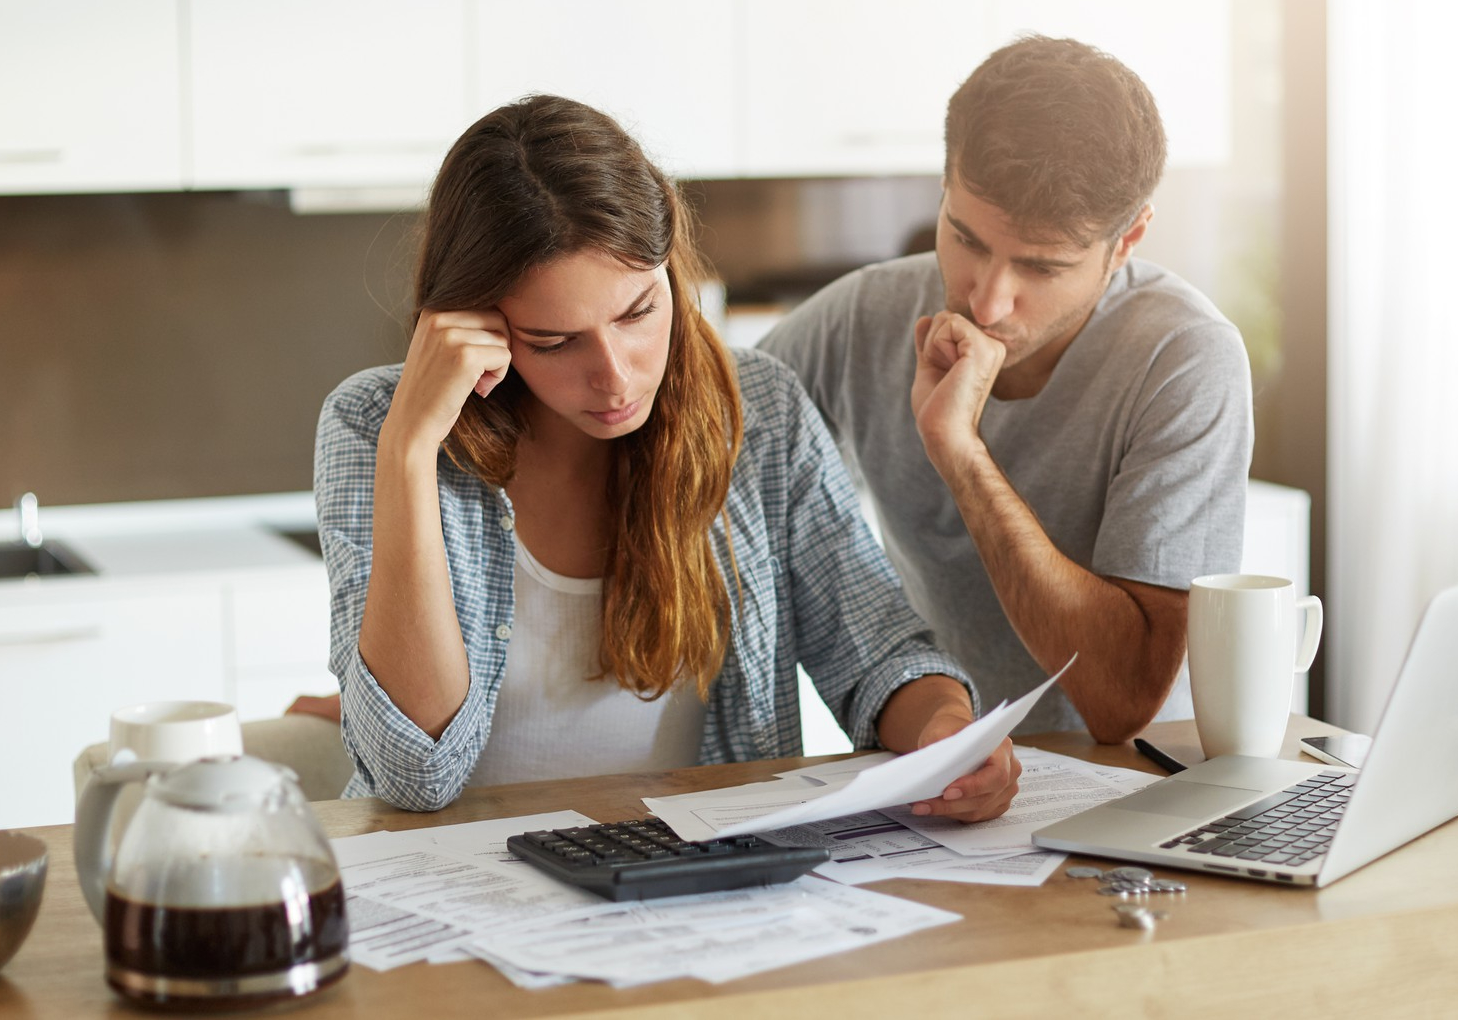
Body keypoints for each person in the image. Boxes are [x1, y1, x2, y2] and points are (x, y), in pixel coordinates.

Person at [315, 94, 1023, 815]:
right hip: (457, 874)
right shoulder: (375, 424)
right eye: (554, 341)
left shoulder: (759, 408)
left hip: (690, 869)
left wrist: (946, 731)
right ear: (473, 323)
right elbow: (414, 775)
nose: (615, 377)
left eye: (638, 313)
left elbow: (877, 651)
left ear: (672, 274)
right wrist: (410, 450)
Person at [759, 36, 1254, 744]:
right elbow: (705, 436)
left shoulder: (1182, 357)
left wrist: (961, 454)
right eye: (966, 239)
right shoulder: (861, 317)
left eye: (1042, 268)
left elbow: (1121, 701)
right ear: (943, 185)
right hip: (943, 764)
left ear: (1127, 239)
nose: (987, 301)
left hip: (1129, 778)